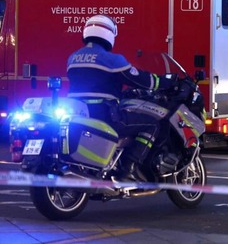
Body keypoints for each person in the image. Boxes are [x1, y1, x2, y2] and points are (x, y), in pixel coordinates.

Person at [66, 15, 175, 180]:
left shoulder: (73, 58)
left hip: (78, 115)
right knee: (152, 125)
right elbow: (141, 80)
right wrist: (165, 81)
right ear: (109, 34)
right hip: (104, 115)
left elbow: (96, 84)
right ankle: (130, 167)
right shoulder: (112, 59)